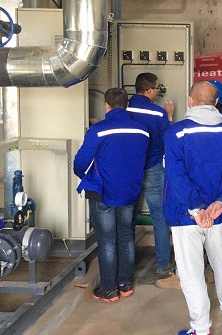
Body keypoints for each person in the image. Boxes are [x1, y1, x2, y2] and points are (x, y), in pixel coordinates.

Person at [163, 81, 222, 335]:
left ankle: (201, 329)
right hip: (218, 215)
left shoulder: (176, 133)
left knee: (192, 274)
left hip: (186, 217)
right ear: (216, 103)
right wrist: (221, 202)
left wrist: (196, 209)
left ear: (191, 101)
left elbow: (176, 176)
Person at [74, 88, 149, 302]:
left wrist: (86, 175)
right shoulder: (142, 131)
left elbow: (80, 163)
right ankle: (124, 284)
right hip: (130, 192)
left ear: (106, 105)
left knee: (107, 241)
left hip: (104, 193)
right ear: (127, 105)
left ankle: (109, 289)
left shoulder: (98, 130)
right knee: (126, 237)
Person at [127, 72, 175, 279]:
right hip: (153, 168)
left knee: (127, 217)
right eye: (157, 88)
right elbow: (168, 141)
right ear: (149, 90)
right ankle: (163, 265)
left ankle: (126, 267)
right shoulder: (158, 113)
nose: (158, 92)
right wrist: (170, 117)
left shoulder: (124, 108)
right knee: (159, 218)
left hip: (130, 171)